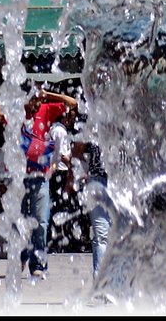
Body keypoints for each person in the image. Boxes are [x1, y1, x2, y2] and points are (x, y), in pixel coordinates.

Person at [20, 86, 77, 279]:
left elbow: (72, 103)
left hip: (41, 177)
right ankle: (22, 254)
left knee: (41, 222)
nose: (36, 103)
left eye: (38, 99)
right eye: (33, 99)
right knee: (21, 222)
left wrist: (47, 94)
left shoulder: (45, 109)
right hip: (20, 178)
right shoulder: (16, 112)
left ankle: (38, 264)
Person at [72, 131, 110, 274]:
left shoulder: (96, 120)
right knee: (103, 235)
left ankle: (106, 285)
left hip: (118, 183)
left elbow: (77, 149)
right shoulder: (94, 121)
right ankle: (104, 284)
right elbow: (77, 148)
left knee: (107, 236)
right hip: (101, 181)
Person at [48, 105, 75, 251]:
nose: (72, 121)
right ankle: (58, 238)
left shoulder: (56, 129)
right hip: (60, 171)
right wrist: (73, 165)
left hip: (59, 170)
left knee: (57, 204)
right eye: (70, 117)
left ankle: (57, 236)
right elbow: (61, 154)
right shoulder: (60, 131)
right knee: (60, 205)